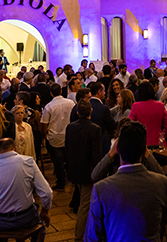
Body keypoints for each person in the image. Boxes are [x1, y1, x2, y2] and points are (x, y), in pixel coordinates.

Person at [85, 120, 167, 242]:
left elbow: (92, 237)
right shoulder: (160, 182)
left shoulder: (101, 189)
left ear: (118, 149)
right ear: (143, 150)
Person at [0, 138, 52, 232]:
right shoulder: (28, 162)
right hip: (26, 218)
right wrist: (45, 210)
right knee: (40, 229)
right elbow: (47, 192)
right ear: (15, 149)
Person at [65, 99, 102, 242]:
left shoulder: (70, 127)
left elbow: (67, 149)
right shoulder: (95, 129)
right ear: (91, 111)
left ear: (77, 112)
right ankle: (79, 237)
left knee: (84, 201)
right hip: (89, 171)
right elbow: (96, 155)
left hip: (75, 169)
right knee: (84, 206)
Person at [40, 83, 75, 190]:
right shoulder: (70, 103)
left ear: (51, 94)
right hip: (69, 134)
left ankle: (61, 183)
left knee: (58, 161)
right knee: (70, 158)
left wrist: (44, 136)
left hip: (55, 136)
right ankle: (72, 178)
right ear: (60, 91)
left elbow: (44, 123)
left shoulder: (49, 106)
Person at [129, 81, 167, 147]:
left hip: (141, 143)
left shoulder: (136, 106)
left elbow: (129, 125)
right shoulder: (160, 105)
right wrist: (162, 136)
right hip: (158, 142)